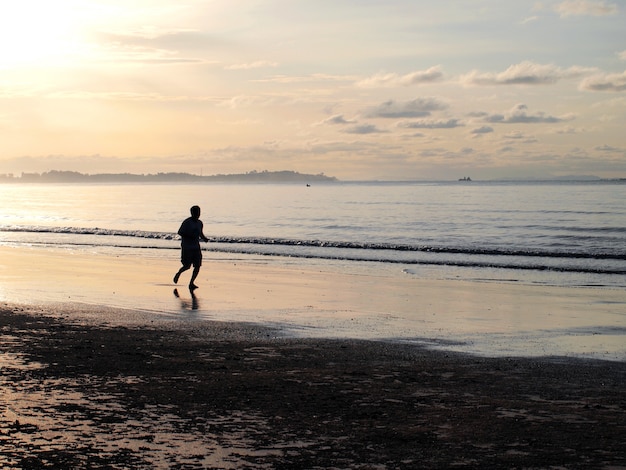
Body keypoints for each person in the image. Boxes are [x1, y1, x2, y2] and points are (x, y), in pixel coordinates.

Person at [173, 205, 209, 290]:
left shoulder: (200, 223)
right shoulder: (187, 222)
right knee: (187, 266)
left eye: (198, 212)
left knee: (197, 266)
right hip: (187, 247)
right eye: (196, 212)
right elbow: (180, 232)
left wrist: (204, 238)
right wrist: (190, 235)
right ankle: (178, 273)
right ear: (192, 213)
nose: (197, 214)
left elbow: (200, 233)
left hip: (196, 247)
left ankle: (191, 283)